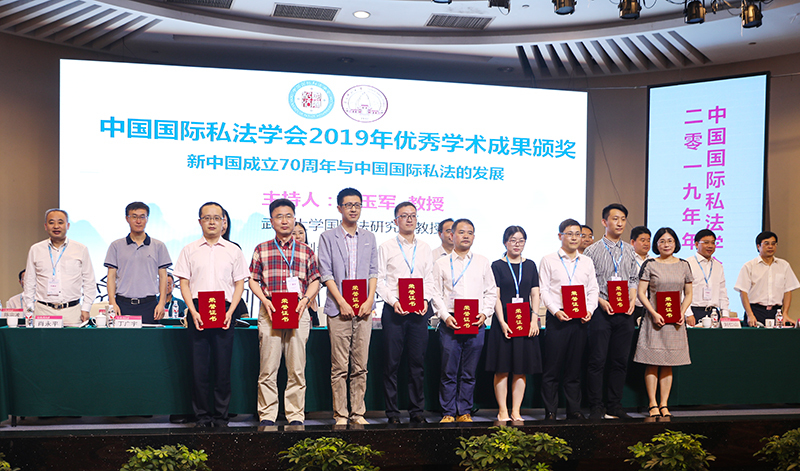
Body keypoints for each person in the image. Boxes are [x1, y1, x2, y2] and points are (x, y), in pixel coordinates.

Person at [173, 202, 249, 428]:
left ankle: (221, 417)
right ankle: (202, 416)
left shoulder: (233, 250)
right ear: (200, 222)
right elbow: (184, 283)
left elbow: (239, 283)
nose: (212, 222)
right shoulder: (189, 249)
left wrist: (231, 311)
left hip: (225, 310)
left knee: (222, 368)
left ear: (224, 222)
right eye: (207, 218)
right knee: (200, 368)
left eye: (217, 218)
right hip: (197, 310)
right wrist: (192, 310)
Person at [248, 198, 321, 426]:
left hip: (298, 310)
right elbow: (252, 280)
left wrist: (306, 299)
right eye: (279, 216)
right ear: (271, 221)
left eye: (289, 216)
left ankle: (295, 415)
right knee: (268, 368)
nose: (284, 221)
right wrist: (264, 300)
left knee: (297, 368)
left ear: (294, 219)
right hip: (270, 310)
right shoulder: (261, 249)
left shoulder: (306, 250)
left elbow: (315, 280)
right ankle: (267, 415)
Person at [318, 188, 379, 426]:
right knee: (339, 366)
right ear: (339, 208)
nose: (353, 209)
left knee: (361, 366)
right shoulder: (327, 237)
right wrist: (342, 301)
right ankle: (341, 414)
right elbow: (326, 273)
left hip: (363, 310)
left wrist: (370, 300)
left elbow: (373, 272)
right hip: (338, 309)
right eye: (348, 205)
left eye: (357, 205)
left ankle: (358, 413)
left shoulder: (369, 237)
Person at [431, 218, 497, 423]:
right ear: (452, 235)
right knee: (448, 371)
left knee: (469, 372)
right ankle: (448, 412)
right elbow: (435, 293)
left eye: (470, 232)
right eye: (461, 232)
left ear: (474, 237)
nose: (466, 236)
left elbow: (491, 292)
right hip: (451, 322)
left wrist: (485, 313)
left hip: (475, 323)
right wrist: (445, 316)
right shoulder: (441, 263)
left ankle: (464, 411)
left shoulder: (482, 262)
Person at [377, 202, 434, 424]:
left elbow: (429, 279)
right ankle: (392, 413)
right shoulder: (386, 247)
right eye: (404, 216)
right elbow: (379, 280)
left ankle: (416, 411)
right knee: (391, 364)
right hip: (394, 311)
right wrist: (394, 301)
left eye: (413, 215)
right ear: (395, 221)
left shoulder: (425, 248)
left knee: (417, 364)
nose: (409, 219)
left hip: (419, 313)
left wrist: (426, 299)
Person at [538, 218, 598, 421]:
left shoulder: (587, 261)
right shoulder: (548, 260)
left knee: (574, 368)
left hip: (580, 320)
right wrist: (555, 311)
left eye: (577, 234)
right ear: (560, 236)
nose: (574, 238)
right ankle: (551, 411)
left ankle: (574, 410)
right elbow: (544, 290)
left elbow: (593, 289)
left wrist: (590, 310)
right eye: (569, 234)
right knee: (552, 368)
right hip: (558, 318)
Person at [583, 204, 638, 420]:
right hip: (601, 311)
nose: (620, 223)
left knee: (619, 360)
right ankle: (596, 406)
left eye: (623, 219)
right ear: (604, 222)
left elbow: (633, 278)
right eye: (615, 219)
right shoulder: (592, 250)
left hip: (625, 312)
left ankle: (614, 404)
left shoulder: (630, 250)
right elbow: (588, 283)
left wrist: (632, 299)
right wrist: (600, 301)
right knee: (597, 360)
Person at [634, 227, 692, 418]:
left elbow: (688, 293)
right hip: (654, 320)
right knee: (652, 362)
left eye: (670, 241)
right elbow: (641, 293)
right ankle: (652, 403)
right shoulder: (650, 264)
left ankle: (664, 404)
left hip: (675, 322)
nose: (666, 245)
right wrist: (653, 313)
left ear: (676, 243)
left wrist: (682, 312)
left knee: (669, 363)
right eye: (662, 241)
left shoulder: (684, 265)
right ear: (656, 244)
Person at [486, 225, 541, 422]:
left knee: (520, 369)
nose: (517, 244)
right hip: (504, 323)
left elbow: (535, 293)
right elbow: (496, 296)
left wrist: (534, 319)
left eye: (521, 241)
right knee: (502, 369)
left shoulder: (531, 265)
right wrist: (502, 321)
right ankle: (502, 410)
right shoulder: (496, 266)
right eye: (513, 240)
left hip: (524, 322)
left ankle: (516, 410)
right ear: (505, 242)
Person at [23, 208, 96, 325]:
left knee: (71, 338)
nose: (56, 226)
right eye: (51, 222)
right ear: (45, 226)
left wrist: (86, 308)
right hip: (43, 310)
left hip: (72, 311)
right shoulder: (36, 249)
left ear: (68, 225)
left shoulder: (80, 249)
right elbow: (29, 281)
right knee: (43, 338)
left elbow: (89, 281)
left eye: (60, 222)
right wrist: (29, 308)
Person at [104, 202, 171, 324]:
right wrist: (112, 303)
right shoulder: (116, 246)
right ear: (127, 219)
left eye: (142, 217)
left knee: (149, 336)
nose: (138, 221)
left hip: (150, 305)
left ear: (147, 219)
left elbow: (163, 276)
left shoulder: (158, 246)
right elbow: (111, 276)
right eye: (134, 217)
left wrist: (161, 303)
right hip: (122, 305)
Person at [735, 231, 800, 327]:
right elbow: (743, 292)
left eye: (773, 244)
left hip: (776, 312)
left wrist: (785, 313)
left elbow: (787, 291)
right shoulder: (749, 266)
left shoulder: (784, 265)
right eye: (766, 244)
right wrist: (750, 314)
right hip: (755, 312)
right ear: (758, 246)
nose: (770, 247)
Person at [686, 229, 729, 326]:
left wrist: (725, 314)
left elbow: (722, 291)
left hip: (714, 313)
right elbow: (682, 293)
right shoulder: (687, 264)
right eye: (706, 242)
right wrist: (688, 314)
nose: (710, 246)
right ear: (696, 244)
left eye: (713, 243)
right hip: (694, 312)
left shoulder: (718, 265)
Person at [221, 208, 250, 320]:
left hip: (231, 302)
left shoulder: (234, 249)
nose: (222, 226)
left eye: (225, 222)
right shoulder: (196, 249)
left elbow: (239, 280)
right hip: (206, 302)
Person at [292, 221, 321, 326]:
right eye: (294, 233)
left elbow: (317, 283)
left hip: (308, 304)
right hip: (288, 303)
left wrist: (308, 302)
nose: (298, 236)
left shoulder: (310, 254)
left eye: (301, 233)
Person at [630, 226, 652, 323]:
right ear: (632, 242)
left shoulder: (653, 261)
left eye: (648, 240)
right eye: (642, 240)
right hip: (632, 306)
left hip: (650, 307)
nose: (646, 243)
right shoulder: (627, 260)